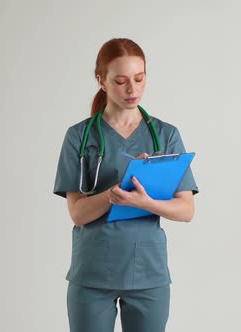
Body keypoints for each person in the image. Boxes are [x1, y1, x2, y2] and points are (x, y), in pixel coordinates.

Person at [53, 38, 199, 332]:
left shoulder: (166, 135)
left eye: (139, 78)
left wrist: (145, 203)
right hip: (92, 273)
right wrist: (113, 194)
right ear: (101, 81)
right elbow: (78, 214)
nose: (132, 90)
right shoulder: (79, 137)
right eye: (120, 81)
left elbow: (186, 210)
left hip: (148, 273)